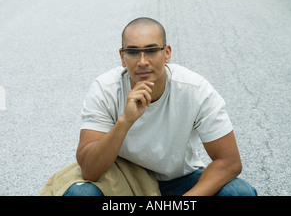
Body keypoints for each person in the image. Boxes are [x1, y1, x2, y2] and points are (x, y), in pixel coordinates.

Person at [65, 17, 257, 196]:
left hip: (179, 180)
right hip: (123, 178)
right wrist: (125, 121)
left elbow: (229, 162)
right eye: (132, 52)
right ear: (122, 57)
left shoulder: (196, 90)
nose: (142, 61)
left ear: (167, 53)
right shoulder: (105, 89)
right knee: (80, 193)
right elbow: (90, 170)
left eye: (151, 50)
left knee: (239, 192)